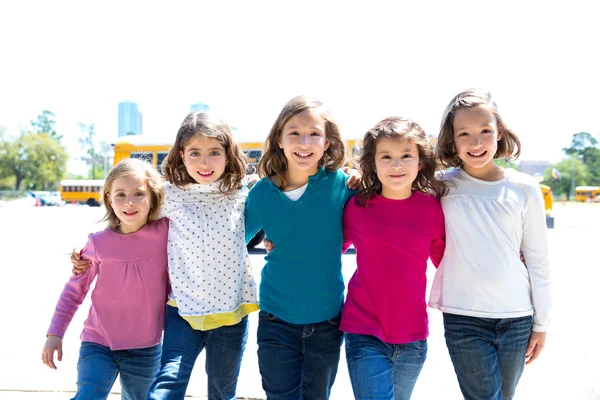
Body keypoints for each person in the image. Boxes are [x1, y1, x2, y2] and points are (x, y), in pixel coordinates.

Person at [72, 112, 259, 400]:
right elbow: (131, 219)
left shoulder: (241, 194)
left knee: (222, 392)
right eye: (195, 153)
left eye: (214, 153)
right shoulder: (169, 195)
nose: (204, 162)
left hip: (230, 314)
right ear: (182, 154)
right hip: (182, 311)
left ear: (228, 155)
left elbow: (273, 218)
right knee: (166, 387)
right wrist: (89, 253)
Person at [428, 89, 552, 400]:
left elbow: (538, 259)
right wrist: (357, 181)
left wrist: (542, 323)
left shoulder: (524, 187)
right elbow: (394, 184)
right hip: (463, 316)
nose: (476, 142)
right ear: (452, 140)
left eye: (485, 131)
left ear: (499, 134)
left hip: (517, 317)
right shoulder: (440, 185)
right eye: (464, 134)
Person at [245, 95, 358, 399]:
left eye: (314, 134)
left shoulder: (343, 186)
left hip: (327, 320)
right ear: (280, 140)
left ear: (327, 142)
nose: (304, 142)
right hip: (275, 318)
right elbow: (231, 242)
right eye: (294, 133)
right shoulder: (261, 194)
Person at [42, 158, 169, 400]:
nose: (129, 202)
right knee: (87, 396)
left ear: (153, 197)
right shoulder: (98, 243)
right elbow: (73, 292)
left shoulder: (166, 233)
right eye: (120, 194)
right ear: (109, 198)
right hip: (98, 343)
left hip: (146, 348)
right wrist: (54, 333)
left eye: (139, 194)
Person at [340, 117, 447, 400]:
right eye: (386, 156)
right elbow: (327, 248)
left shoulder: (432, 209)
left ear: (420, 162)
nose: (396, 165)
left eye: (406, 156)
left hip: (413, 335)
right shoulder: (356, 206)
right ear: (372, 163)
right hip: (363, 329)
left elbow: (448, 262)